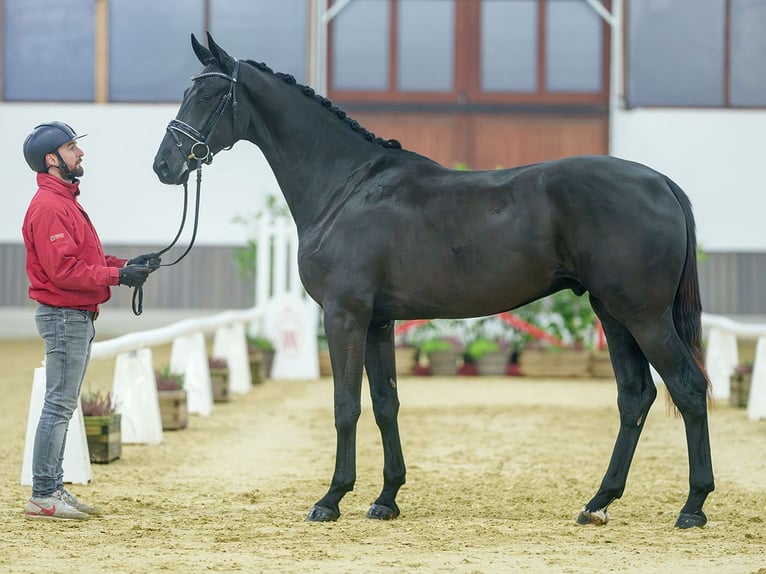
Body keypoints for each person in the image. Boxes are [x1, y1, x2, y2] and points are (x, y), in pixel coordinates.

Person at [21, 121, 160, 520]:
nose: (80, 154)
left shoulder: (64, 202)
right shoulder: (49, 207)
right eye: (70, 148)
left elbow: (86, 262)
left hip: (74, 315)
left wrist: (126, 265)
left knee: (62, 406)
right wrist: (118, 276)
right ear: (52, 160)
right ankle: (44, 494)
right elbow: (65, 272)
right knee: (59, 406)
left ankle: (52, 489)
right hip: (65, 316)